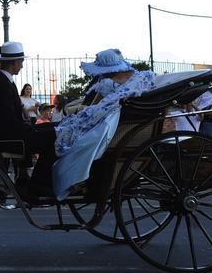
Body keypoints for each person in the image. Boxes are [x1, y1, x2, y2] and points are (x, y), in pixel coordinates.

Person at [52, 49, 157, 200]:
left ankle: (74, 178)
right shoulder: (142, 80)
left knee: (74, 136)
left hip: (112, 124)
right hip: (122, 122)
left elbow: (93, 106)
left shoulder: (106, 83)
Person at [0, 42, 57, 194]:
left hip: (15, 133)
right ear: (14, 63)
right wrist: (29, 128)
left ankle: (32, 180)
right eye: (21, 62)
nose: (21, 66)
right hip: (13, 137)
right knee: (54, 135)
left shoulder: (5, 81)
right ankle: (39, 183)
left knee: (55, 128)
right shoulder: (2, 83)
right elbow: (7, 118)